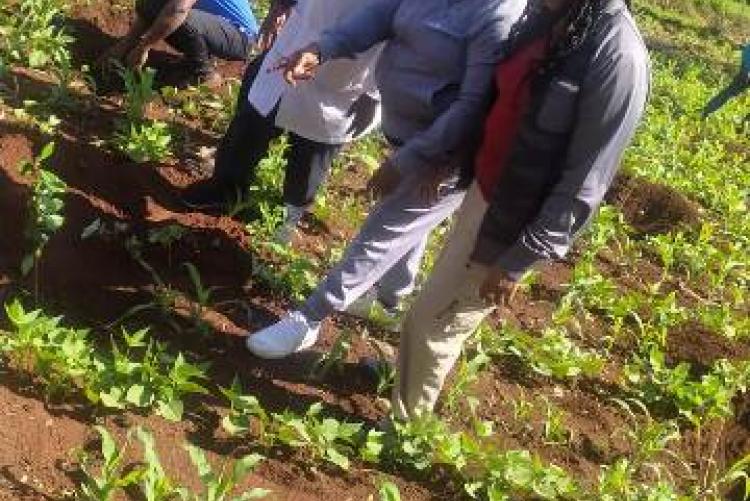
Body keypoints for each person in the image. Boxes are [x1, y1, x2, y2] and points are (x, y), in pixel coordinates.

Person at [389, 0, 650, 420]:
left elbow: (585, 182)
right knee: (436, 311)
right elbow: (500, 104)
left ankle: (404, 427)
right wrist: (453, 159)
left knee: (431, 324)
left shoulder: (619, 57)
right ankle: (408, 379)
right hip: (486, 194)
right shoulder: (550, 19)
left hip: (513, 224)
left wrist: (518, 260)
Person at [245, 0, 527, 359]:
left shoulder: (498, 14)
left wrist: (408, 162)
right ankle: (390, 301)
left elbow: (473, 106)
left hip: (446, 154)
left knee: (381, 232)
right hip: (411, 135)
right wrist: (321, 49)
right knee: (407, 225)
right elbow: (376, 17)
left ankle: (308, 320)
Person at [182, 0, 383, 244]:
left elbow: (406, 34)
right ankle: (225, 189)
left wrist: (375, 92)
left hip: (346, 79)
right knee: (250, 122)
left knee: (311, 157)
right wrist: (280, 6)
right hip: (291, 48)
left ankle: (289, 218)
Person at [101, 0, 259, 84]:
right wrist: (125, 43)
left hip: (241, 37)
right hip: (214, 25)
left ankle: (205, 75)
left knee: (182, 18)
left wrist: (143, 48)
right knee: (152, 5)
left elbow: (179, 9)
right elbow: (151, 6)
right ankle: (195, 59)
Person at [703, 43, 750, 118]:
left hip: (745, 72)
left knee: (727, 93)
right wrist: (747, 70)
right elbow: (747, 51)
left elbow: (746, 50)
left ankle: (744, 126)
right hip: (745, 74)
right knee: (728, 93)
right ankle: (706, 112)